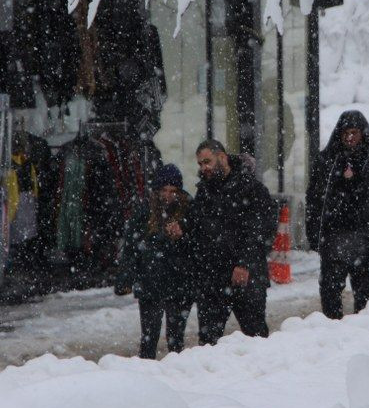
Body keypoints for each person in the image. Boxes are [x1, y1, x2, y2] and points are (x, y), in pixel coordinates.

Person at [171, 140, 277, 345]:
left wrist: (244, 263)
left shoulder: (252, 189)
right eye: (200, 164)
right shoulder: (205, 191)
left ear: (222, 157)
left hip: (246, 275)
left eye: (207, 162)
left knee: (256, 338)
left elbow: (259, 232)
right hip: (213, 277)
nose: (204, 168)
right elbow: (195, 221)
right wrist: (182, 227)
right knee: (209, 341)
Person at [306, 111, 369, 319]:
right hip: (334, 235)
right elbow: (314, 199)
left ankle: (361, 331)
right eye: (345, 133)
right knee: (330, 290)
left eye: (354, 132)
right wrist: (313, 232)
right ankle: (332, 329)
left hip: (367, 236)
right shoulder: (327, 160)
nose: (349, 138)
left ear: (363, 133)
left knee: (364, 293)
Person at [114, 164, 195, 359]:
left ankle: (175, 376)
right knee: (149, 338)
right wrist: (125, 278)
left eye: (173, 190)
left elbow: (197, 244)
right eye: (164, 190)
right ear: (157, 190)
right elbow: (131, 247)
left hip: (179, 281)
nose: (168, 195)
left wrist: (182, 236)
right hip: (151, 280)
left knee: (176, 338)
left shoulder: (188, 210)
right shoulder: (144, 210)